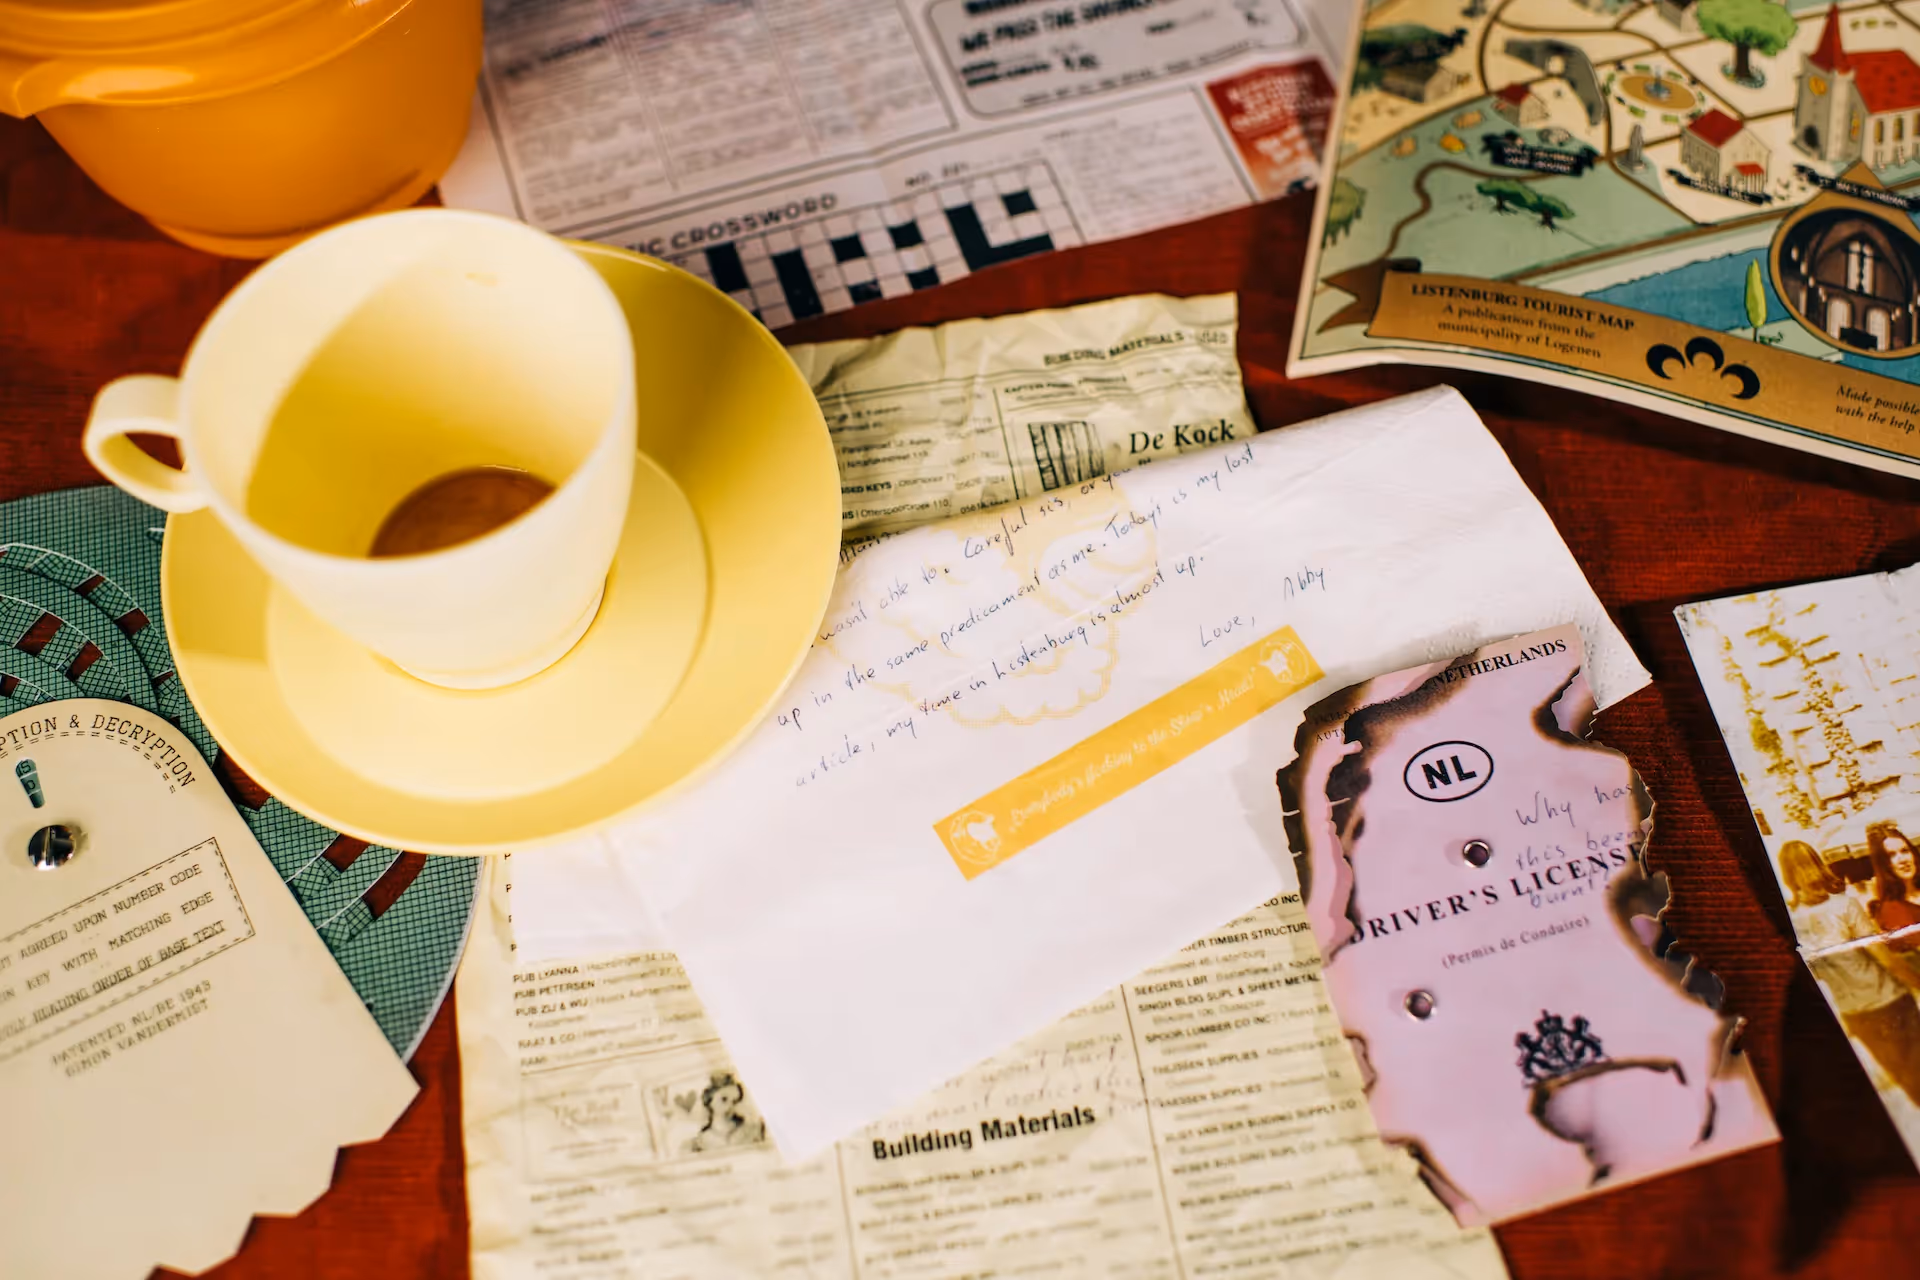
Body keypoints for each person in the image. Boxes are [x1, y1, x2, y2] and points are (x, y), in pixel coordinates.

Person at [1779, 839, 1920, 1104]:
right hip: (1890, 1001)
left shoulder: (1793, 922)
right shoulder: (1843, 905)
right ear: (1818, 864)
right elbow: (1884, 959)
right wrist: (1916, 982)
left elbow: (1815, 974)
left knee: (1909, 1082)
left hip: (1856, 1013)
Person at [1869, 821, 1920, 943]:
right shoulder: (1892, 911)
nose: (1902, 859)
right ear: (1883, 864)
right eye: (1891, 855)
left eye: (1905, 851)